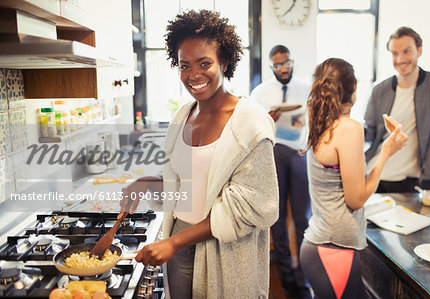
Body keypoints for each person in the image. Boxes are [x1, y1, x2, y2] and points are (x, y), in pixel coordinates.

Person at [120, 10, 279, 299]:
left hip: (225, 252)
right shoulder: (183, 115)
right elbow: (188, 183)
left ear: (225, 62)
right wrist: (149, 183)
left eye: (205, 63)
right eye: (184, 65)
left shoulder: (250, 124)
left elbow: (255, 206)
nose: (193, 75)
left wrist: (176, 242)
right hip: (179, 244)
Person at [299, 58, 408, 298]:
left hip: (323, 246)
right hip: (333, 249)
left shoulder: (320, 122)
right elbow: (356, 199)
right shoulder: (348, 128)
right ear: (355, 88)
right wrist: (386, 152)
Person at [250, 45, 311, 298]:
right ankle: (286, 276)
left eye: (286, 63)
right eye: (277, 65)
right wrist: (267, 119)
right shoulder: (260, 93)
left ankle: (303, 277)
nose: (283, 68)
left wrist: (308, 143)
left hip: (299, 155)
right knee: (276, 219)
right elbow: (250, 126)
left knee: (302, 218)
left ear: (292, 62)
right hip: (273, 154)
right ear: (271, 67)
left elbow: (315, 120)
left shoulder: (307, 89)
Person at [365, 26, 430, 194]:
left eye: (406, 51)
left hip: (411, 181)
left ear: (419, 51)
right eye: (394, 53)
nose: (400, 59)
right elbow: (369, 133)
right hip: (375, 174)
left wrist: (429, 186)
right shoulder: (379, 89)